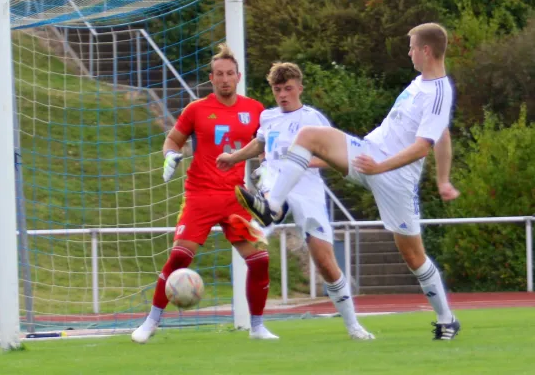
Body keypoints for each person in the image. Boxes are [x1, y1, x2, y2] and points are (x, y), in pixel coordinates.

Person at [235, 23, 462, 341]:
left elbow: (427, 143)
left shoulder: (439, 91)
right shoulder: (419, 84)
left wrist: (415, 174)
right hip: (368, 155)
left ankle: (446, 318)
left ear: (426, 50)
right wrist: (443, 178)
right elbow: (443, 131)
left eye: (411, 47)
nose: (408, 52)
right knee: (308, 136)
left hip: (393, 177)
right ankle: (272, 206)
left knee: (413, 256)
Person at [132, 43, 278, 343]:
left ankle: (258, 326)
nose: (224, 79)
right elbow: (173, 140)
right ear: (211, 79)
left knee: (259, 259)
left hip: (236, 199)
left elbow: (264, 145)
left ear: (238, 77)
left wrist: (265, 167)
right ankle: (150, 322)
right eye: (218, 74)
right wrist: (171, 156)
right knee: (179, 259)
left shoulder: (255, 110)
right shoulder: (196, 109)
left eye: (229, 74)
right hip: (199, 196)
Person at [217, 62, 374, 340]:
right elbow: (259, 145)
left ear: (300, 88)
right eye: (277, 90)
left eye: (288, 88)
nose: (283, 95)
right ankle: (256, 325)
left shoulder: (314, 119)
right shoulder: (268, 117)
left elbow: (331, 156)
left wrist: (301, 163)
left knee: (325, 262)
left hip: (307, 189)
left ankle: (353, 326)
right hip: (273, 183)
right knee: (255, 245)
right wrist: (233, 157)